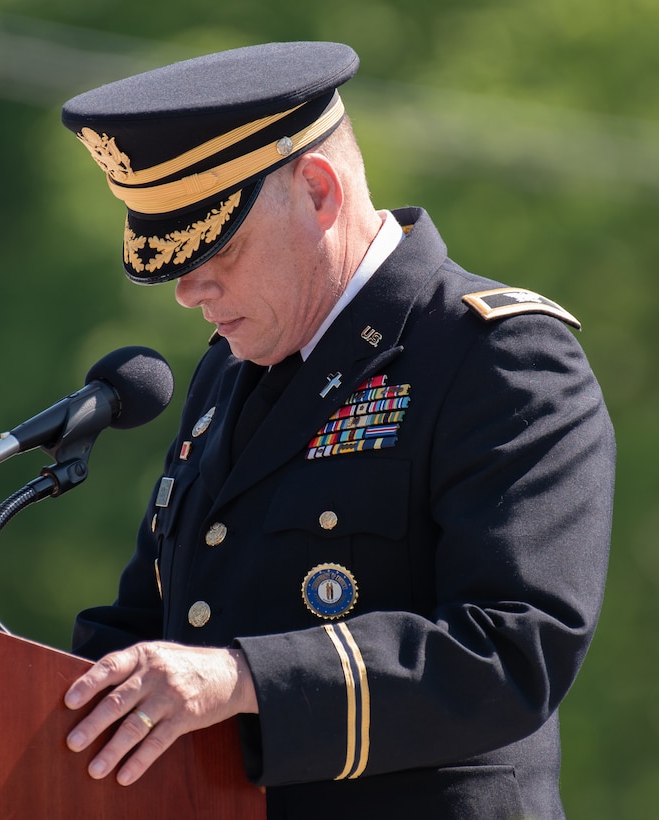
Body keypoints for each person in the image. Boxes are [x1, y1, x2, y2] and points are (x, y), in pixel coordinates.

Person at [58, 41, 615, 819]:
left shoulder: (497, 356)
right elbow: (153, 623)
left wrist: (241, 679)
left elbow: (512, 653)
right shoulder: (226, 371)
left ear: (318, 191)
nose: (188, 291)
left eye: (214, 246)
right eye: (170, 261)